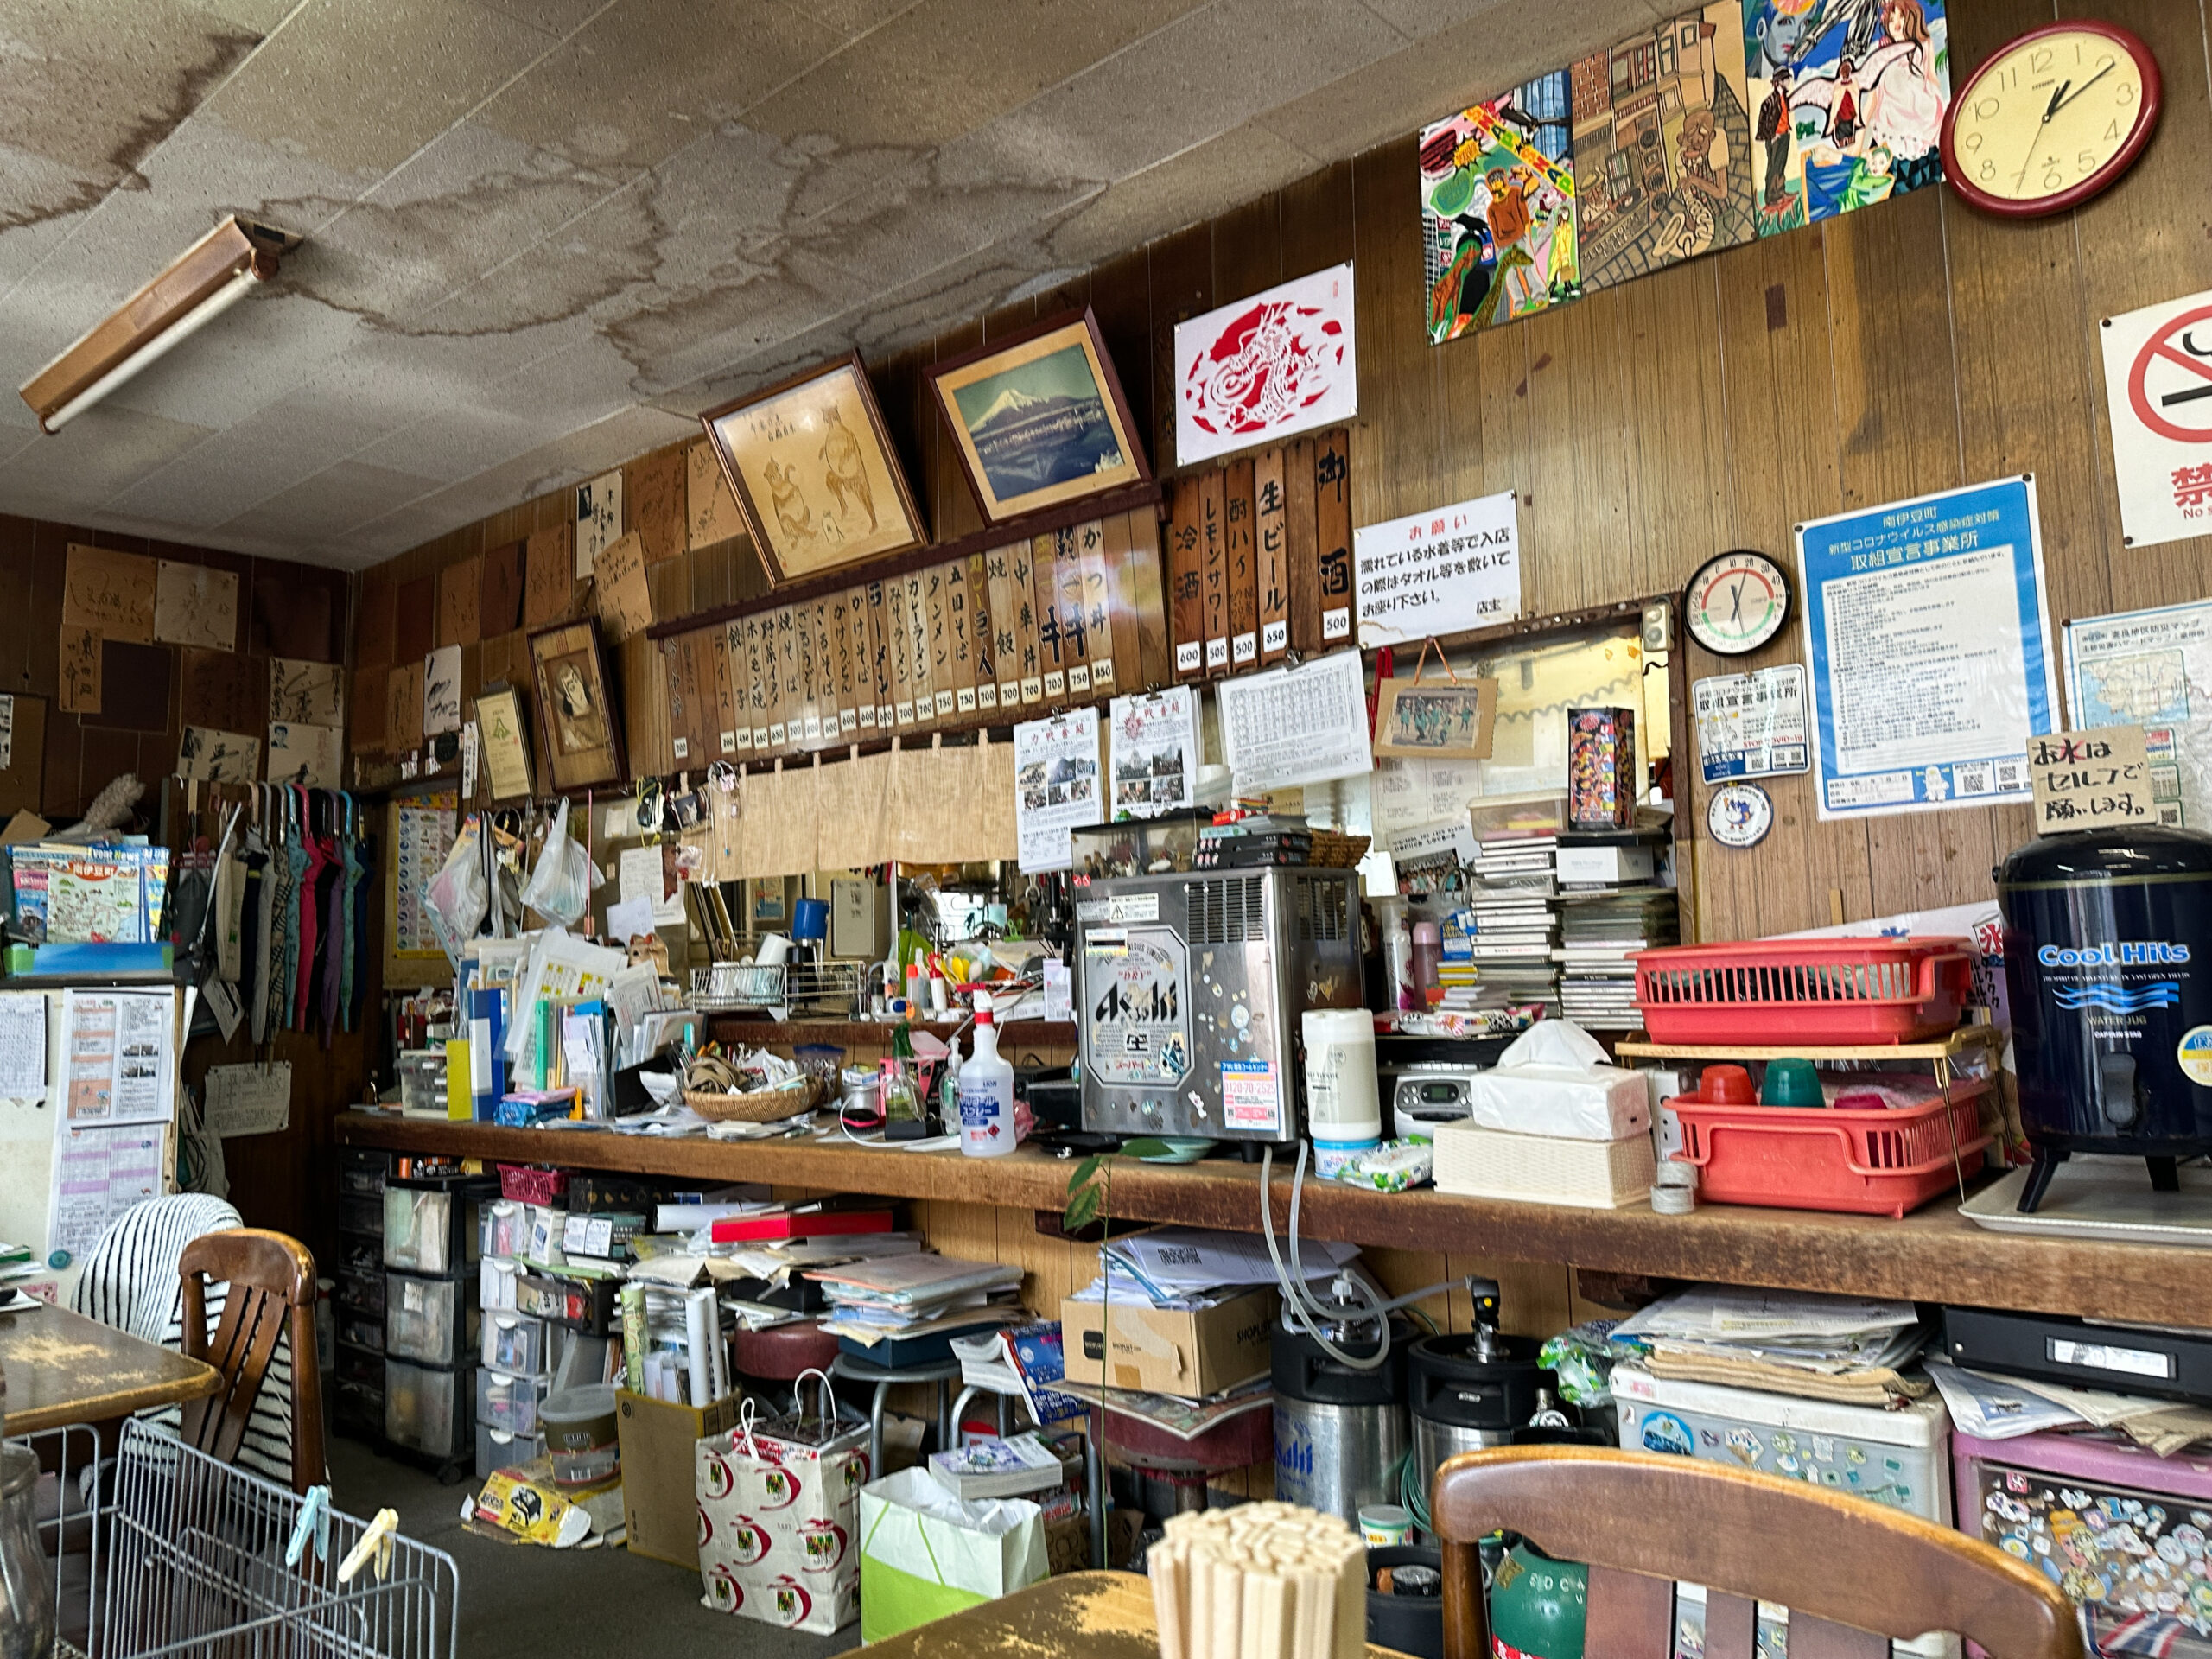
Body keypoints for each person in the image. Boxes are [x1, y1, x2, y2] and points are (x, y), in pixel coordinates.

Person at [819, 404, 877, 531]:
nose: (828, 422)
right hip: (841, 472)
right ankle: (843, 504)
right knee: (831, 478)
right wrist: (825, 450)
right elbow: (834, 445)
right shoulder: (833, 432)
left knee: (864, 495)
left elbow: (849, 447)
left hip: (854, 471)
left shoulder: (845, 432)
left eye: (828, 419)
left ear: (833, 417)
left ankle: (874, 521)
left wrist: (842, 461)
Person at [1757, 67, 1796, 210]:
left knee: (1781, 166)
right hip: (1775, 138)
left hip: (1785, 134)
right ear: (1779, 82)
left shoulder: (1784, 97)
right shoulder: (1769, 101)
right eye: (1786, 79)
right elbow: (1762, 122)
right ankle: (1770, 197)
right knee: (1773, 167)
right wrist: (1771, 135)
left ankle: (1780, 191)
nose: (1788, 82)